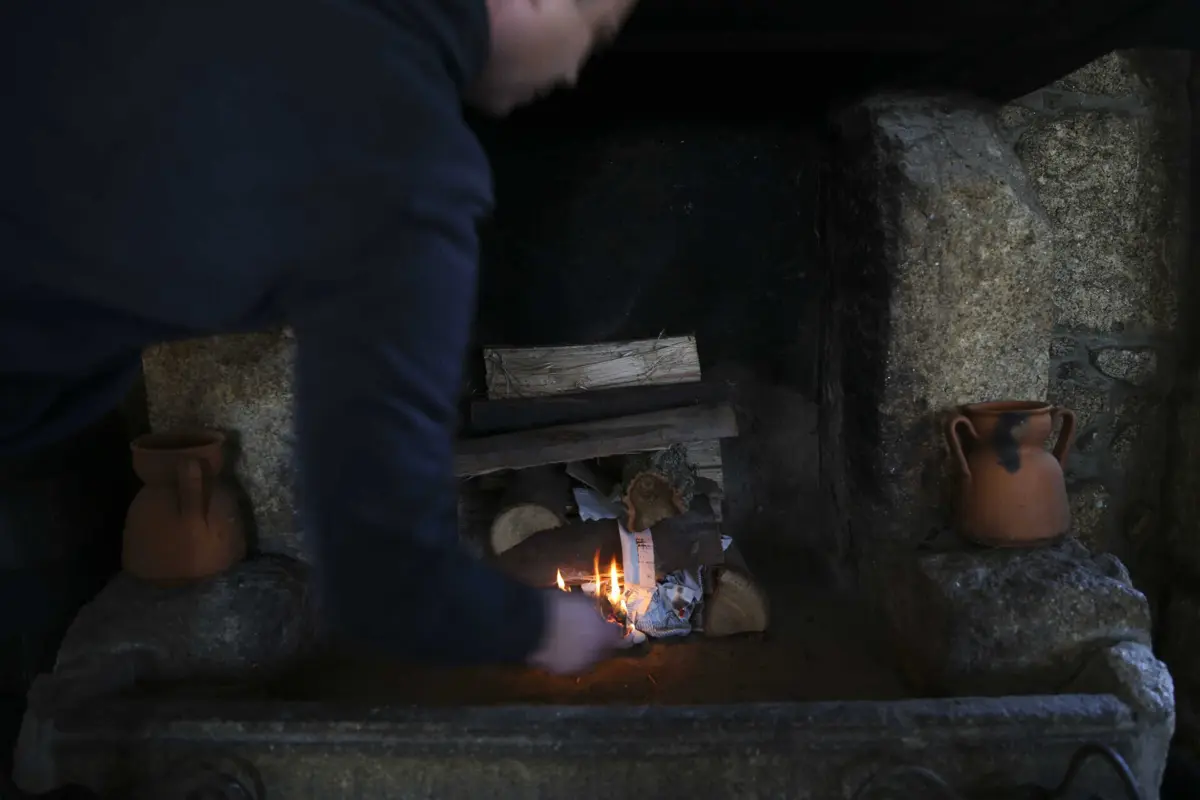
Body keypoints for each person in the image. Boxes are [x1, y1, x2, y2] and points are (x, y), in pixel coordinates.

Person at [0, 0, 640, 770]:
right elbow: (385, 584)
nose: (575, 69)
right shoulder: (402, 155)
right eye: (593, 31)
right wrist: (546, 629)